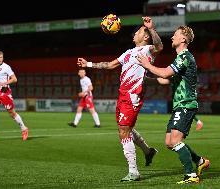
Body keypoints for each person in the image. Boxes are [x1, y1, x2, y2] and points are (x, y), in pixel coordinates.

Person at [77, 16, 163, 181]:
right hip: (122, 94)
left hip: (132, 95)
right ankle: (148, 151)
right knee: (125, 128)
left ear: (145, 37)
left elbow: (159, 46)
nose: (134, 34)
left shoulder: (147, 50)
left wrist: (151, 28)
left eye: (138, 32)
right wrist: (88, 64)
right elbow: (109, 65)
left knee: (123, 131)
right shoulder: (128, 52)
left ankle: (134, 171)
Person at [136, 25, 210, 184]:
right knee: (170, 142)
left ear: (183, 39)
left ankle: (191, 175)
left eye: (175, 35)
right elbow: (165, 79)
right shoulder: (180, 58)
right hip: (180, 105)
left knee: (175, 141)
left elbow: (164, 73)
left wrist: (147, 65)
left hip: (186, 104)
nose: (172, 37)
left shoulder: (185, 57)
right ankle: (199, 161)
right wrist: (147, 80)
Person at [0, 51, 28, 141]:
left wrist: (5, 83)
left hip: (5, 93)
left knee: (12, 113)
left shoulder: (6, 67)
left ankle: (24, 128)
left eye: (1, 57)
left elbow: (14, 79)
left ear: (3, 58)